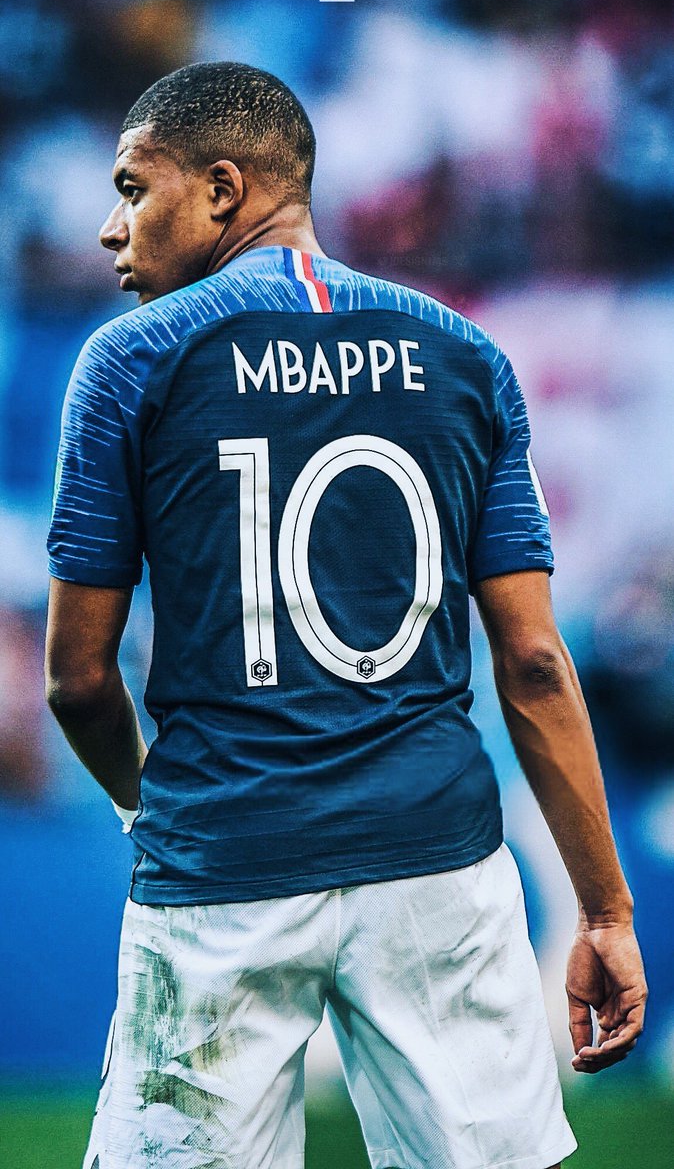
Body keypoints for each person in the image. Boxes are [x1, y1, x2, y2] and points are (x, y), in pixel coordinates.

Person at [45, 62, 646, 1169]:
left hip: (220, 865)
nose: (109, 228)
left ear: (221, 190)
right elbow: (531, 663)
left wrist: (147, 806)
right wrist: (604, 911)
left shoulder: (128, 363)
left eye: (132, 188)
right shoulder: (466, 356)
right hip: (435, 862)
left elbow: (77, 681)